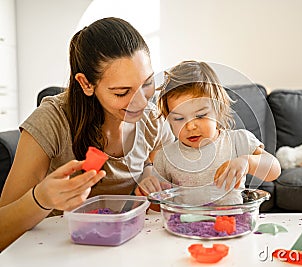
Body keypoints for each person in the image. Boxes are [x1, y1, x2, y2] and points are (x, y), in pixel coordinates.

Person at [0, 17, 174, 251]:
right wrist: (41, 198)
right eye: (122, 92)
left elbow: (169, 178)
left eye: (147, 84)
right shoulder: (52, 120)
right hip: (57, 250)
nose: (141, 102)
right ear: (86, 83)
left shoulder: (153, 121)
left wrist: (150, 175)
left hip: (124, 246)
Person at [135, 60, 281, 205]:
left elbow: (274, 170)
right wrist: (149, 193)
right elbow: (157, 209)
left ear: (218, 110)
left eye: (200, 116)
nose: (191, 126)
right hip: (184, 226)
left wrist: (248, 162)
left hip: (231, 223)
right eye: (179, 118)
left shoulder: (238, 140)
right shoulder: (165, 157)